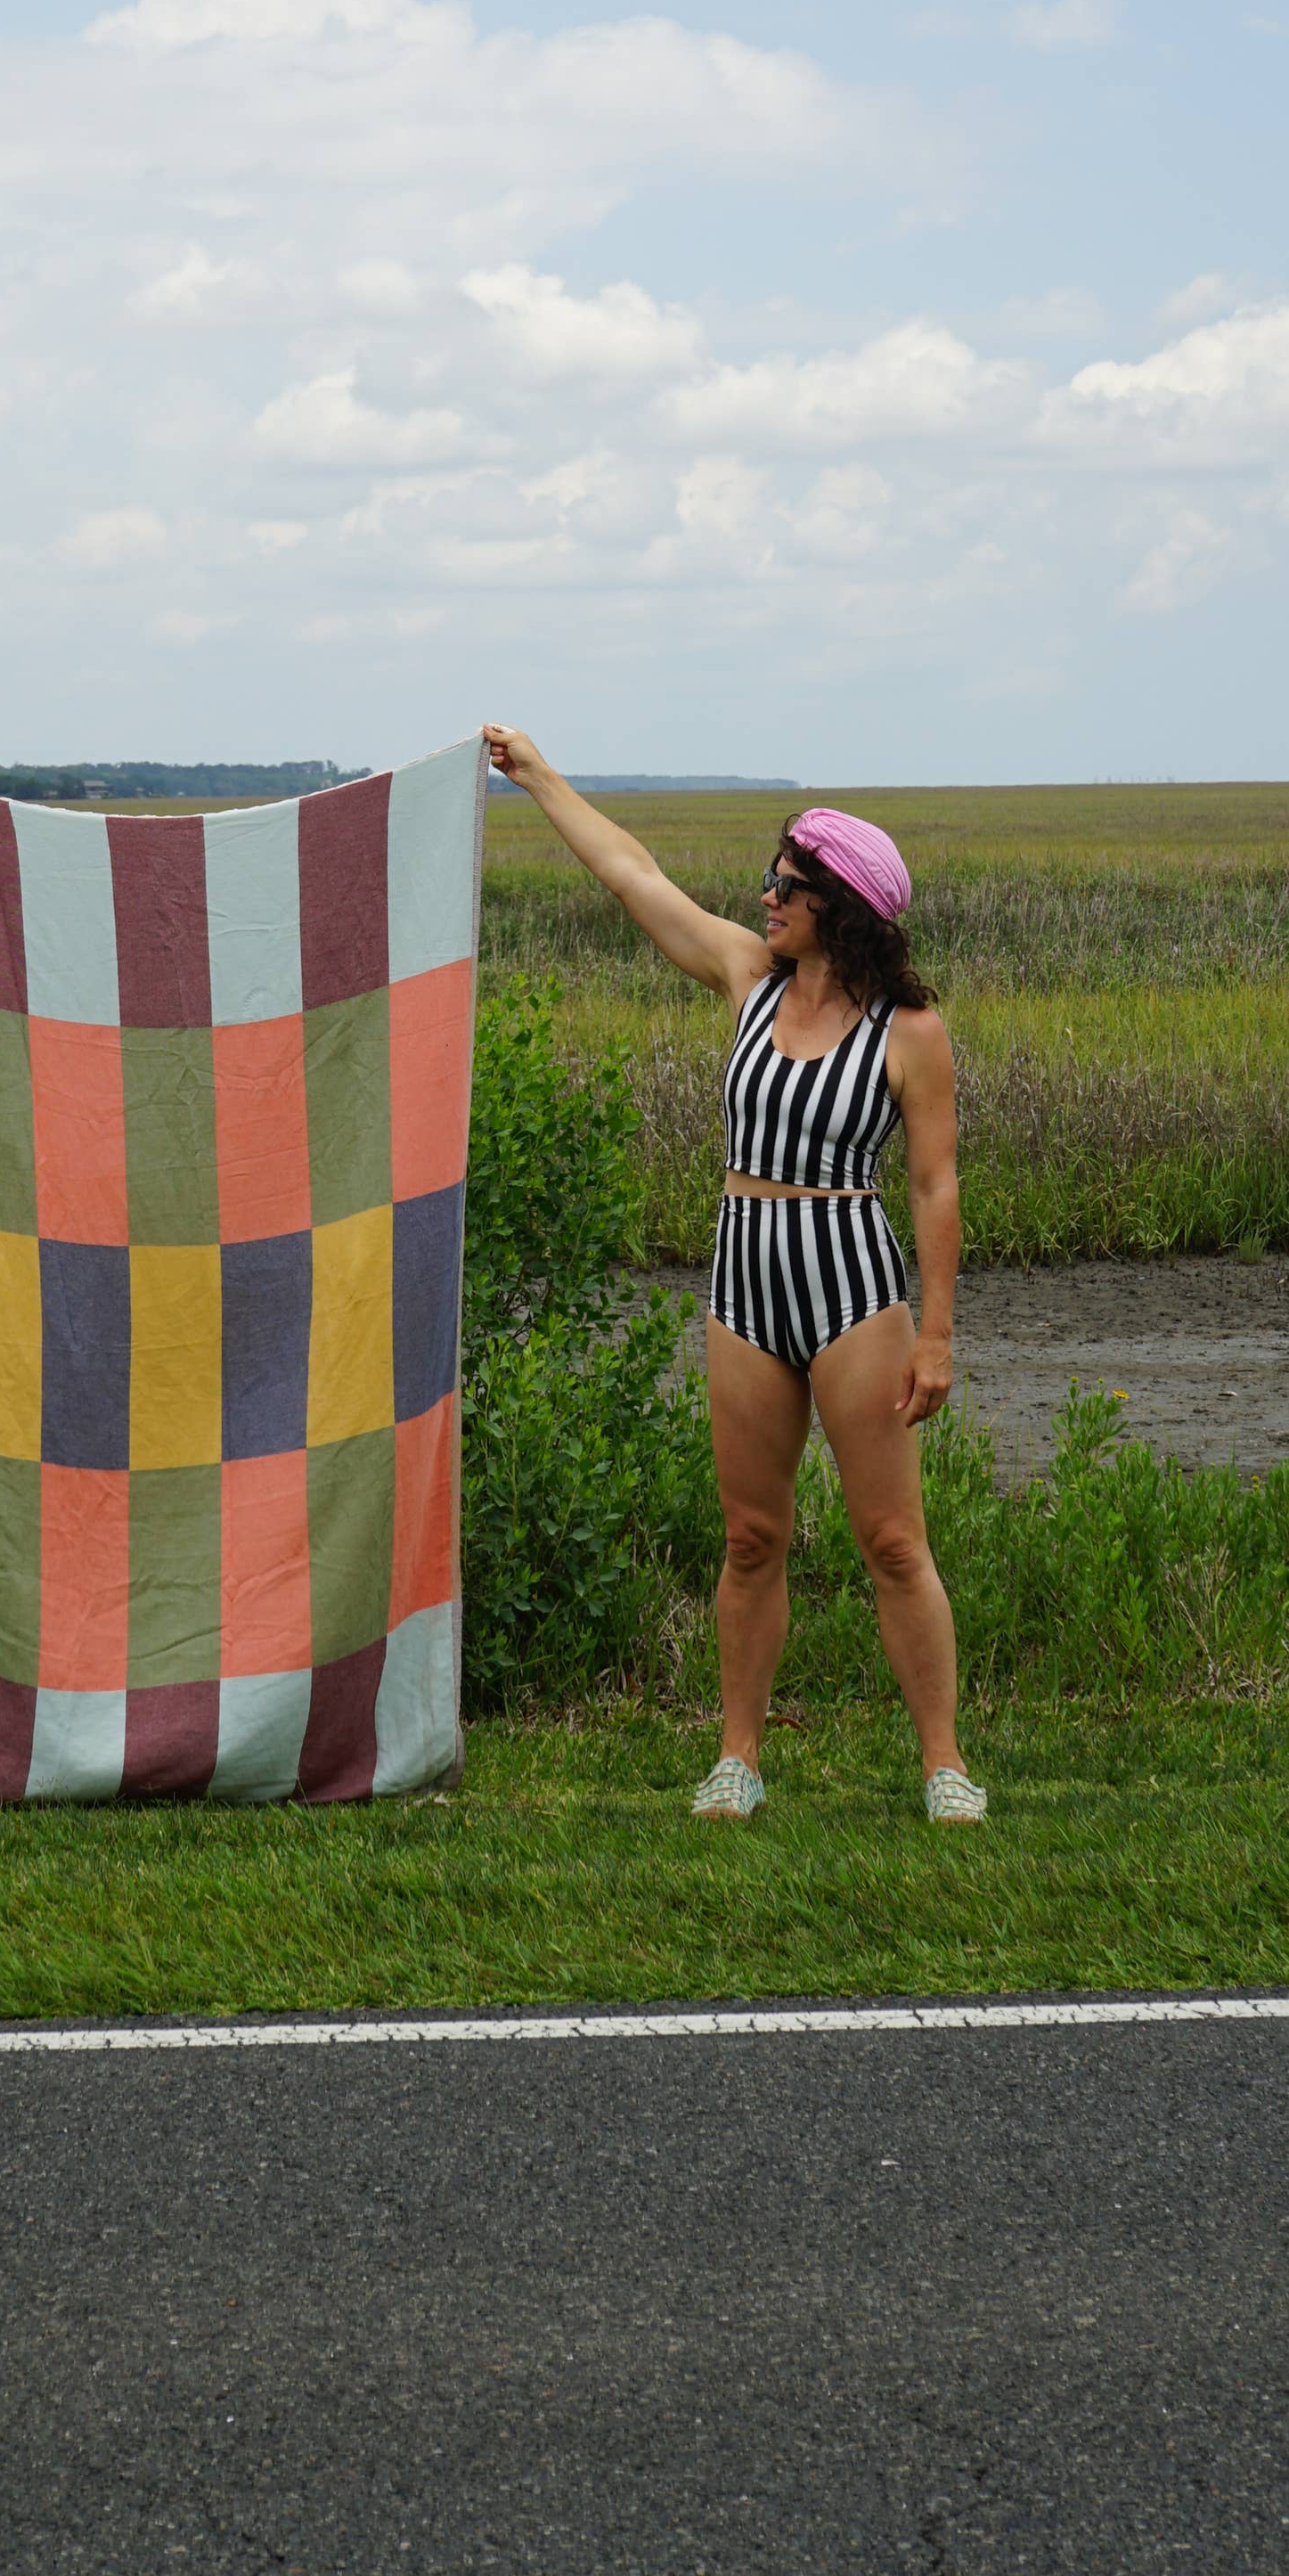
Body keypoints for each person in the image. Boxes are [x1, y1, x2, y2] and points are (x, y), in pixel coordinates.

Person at [480, 729, 983, 1826]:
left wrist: (935, 1336)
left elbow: (934, 1186)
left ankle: (944, 1764)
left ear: (838, 905)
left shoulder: (911, 1033)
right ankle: (737, 1760)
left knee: (892, 1540)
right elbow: (631, 873)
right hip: (742, 1282)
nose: (764, 895)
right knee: (751, 1535)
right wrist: (535, 774)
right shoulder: (747, 978)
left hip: (852, 1284)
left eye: (786, 884)